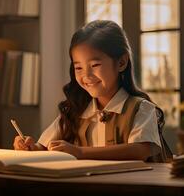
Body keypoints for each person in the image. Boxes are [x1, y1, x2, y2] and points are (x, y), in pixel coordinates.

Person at [13, 20, 172, 162]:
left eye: (95, 65)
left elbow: (141, 150)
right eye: (78, 68)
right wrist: (31, 147)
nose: (86, 75)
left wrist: (80, 152)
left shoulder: (141, 108)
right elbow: (45, 147)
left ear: (121, 62)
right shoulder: (75, 111)